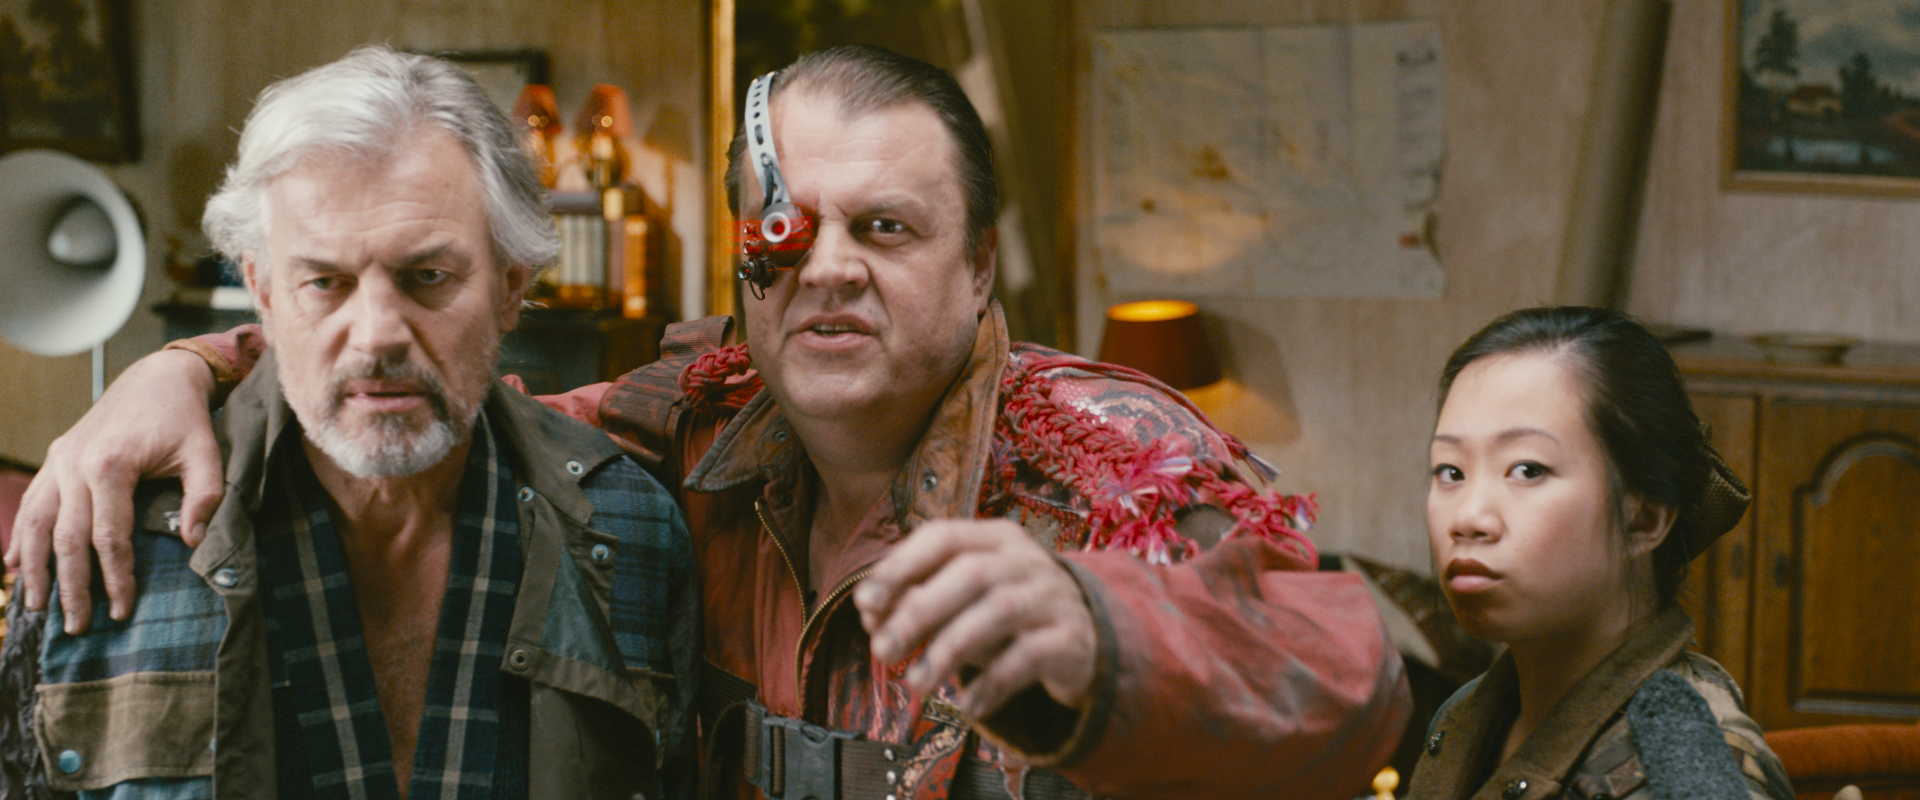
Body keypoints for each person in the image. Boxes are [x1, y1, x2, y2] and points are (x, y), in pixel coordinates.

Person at [10, 45, 1409, 799]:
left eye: (888, 228)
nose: (830, 270)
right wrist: (184, 369)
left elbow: (1357, 688)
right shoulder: (681, 427)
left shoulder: (1113, 452)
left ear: (981, 264)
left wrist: (1104, 634)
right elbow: (420, 387)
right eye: (788, 235)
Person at [0, 47, 699, 800]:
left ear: (509, 286)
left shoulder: (631, 527)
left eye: (427, 276)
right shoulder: (107, 524)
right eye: (326, 281)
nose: (376, 335)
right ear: (263, 292)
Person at [1410, 307, 1794, 800]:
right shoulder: (1466, 714)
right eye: (1451, 471)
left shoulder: (1683, 769)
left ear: (1644, 517)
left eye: (1527, 470)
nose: (1467, 518)